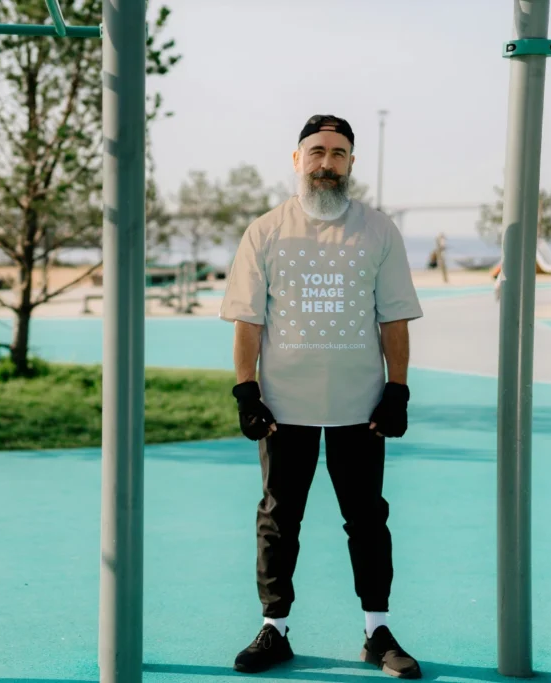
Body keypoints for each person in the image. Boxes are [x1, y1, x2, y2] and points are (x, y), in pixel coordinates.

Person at [218, 114, 424, 678]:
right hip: (285, 409)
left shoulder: (379, 230)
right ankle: (274, 629)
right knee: (279, 519)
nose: (326, 163)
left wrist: (397, 390)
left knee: (367, 520)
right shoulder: (265, 231)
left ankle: (377, 631)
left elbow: (395, 317)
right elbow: (247, 320)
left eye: (338, 153)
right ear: (296, 160)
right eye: (316, 152)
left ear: (351, 162)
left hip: (360, 407)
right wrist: (246, 392)